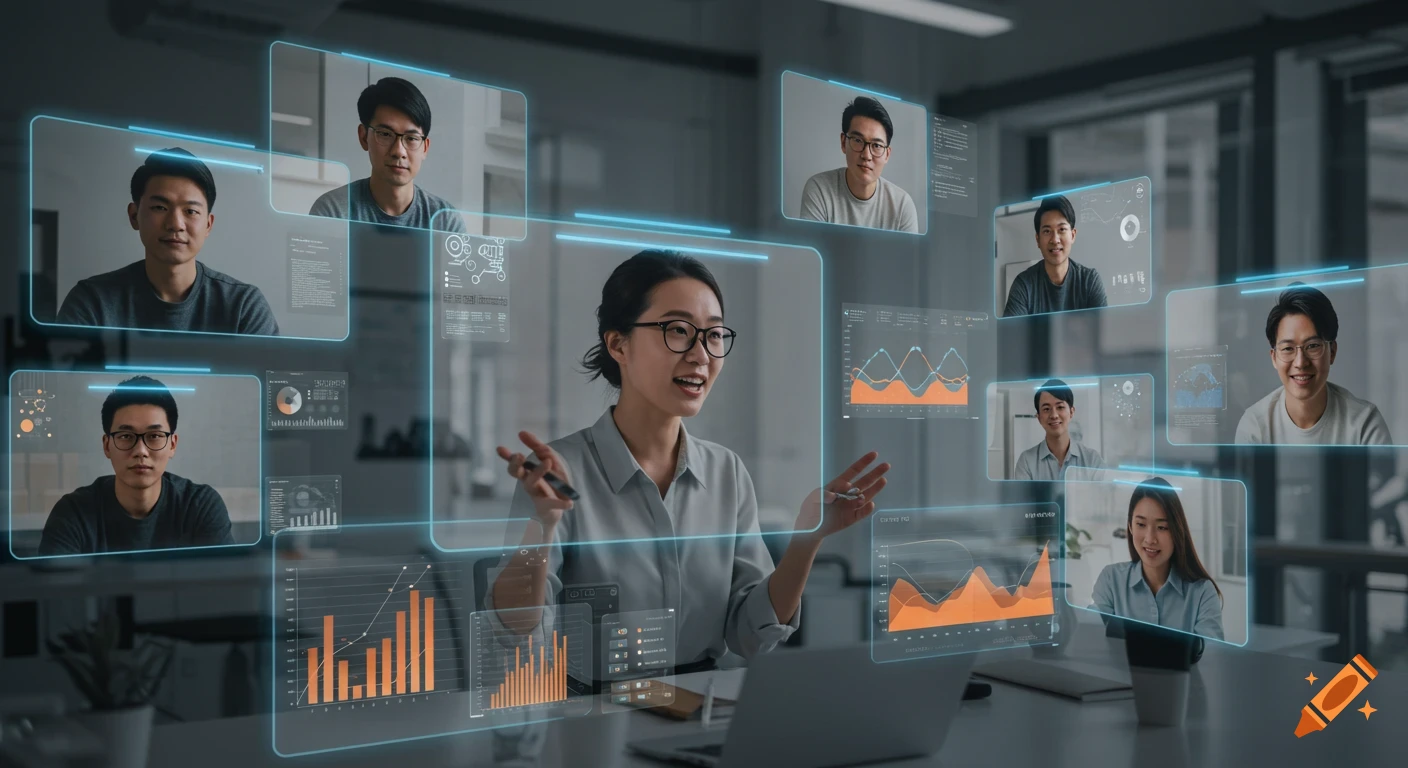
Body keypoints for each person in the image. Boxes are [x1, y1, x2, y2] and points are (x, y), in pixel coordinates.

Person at [489, 250, 890, 668]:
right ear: (617, 344)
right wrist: (543, 525)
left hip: (698, 711)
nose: (701, 354)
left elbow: (750, 633)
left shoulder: (726, 472)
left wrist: (808, 538)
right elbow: (514, 635)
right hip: (595, 720)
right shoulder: (558, 476)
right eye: (678, 330)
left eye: (714, 335)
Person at [56, 148, 279, 335]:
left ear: (208, 225)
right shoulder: (93, 302)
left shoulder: (243, 306)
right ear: (134, 216)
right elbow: (64, 385)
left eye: (190, 211)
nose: (175, 224)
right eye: (160, 208)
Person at [38, 376, 234, 555]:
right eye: (125, 436)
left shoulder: (200, 507)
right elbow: (54, 591)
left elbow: (224, 589)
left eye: (155, 436)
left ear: (172, 445)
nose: (140, 450)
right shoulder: (74, 513)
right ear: (107, 445)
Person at [1235, 283, 1391, 445]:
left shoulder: (1364, 423)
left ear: (1332, 351)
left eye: (1313, 346)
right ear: (1274, 358)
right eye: (1288, 348)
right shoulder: (1255, 425)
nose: (1300, 362)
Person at [309, 77, 464, 232]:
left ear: (425, 148)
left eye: (411, 138)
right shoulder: (333, 212)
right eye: (385, 134)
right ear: (364, 137)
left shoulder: (445, 222)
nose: (399, 151)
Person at [1090, 477, 1224, 640]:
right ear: (1130, 526)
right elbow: (1092, 640)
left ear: (1176, 530)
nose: (1150, 539)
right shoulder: (1111, 580)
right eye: (1141, 524)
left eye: (1162, 527)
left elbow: (1211, 658)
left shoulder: (1202, 592)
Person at [799, 96, 919, 233]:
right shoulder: (820, 190)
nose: (866, 155)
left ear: (887, 154)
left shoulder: (902, 206)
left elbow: (907, 255)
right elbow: (811, 252)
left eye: (877, 145)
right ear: (844, 143)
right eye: (857, 140)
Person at [1002, 195, 1108, 317]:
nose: (1055, 239)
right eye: (1047, 231)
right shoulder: (1024, 285)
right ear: (1038, 240)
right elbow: (1011, 335)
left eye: (1062, 229)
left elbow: (1104, 332)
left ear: (1073, 235)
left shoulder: (1089, 281)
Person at [1013, 379, 1105, 480]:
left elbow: (1103, 495)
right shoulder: (1027, 461)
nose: (1054, 415)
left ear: (1071, 412)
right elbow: (1023, 496)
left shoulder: (1092, 460)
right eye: (1046, 409)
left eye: (1060, 407)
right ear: (1039, 417)